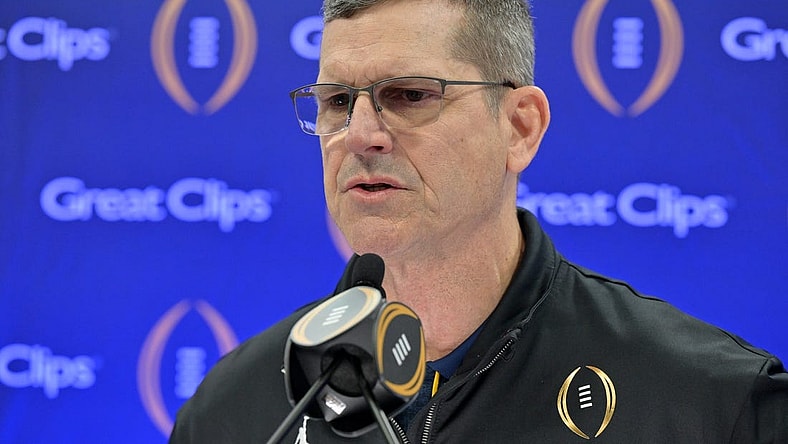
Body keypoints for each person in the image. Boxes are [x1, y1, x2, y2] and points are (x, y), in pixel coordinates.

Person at [170, 0, 788, 442]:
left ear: (520, 126)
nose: (359, 134)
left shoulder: (710, 403)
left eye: (410, 95)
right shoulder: (237, 409)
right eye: (337, 101)